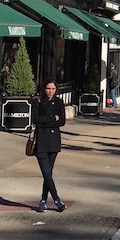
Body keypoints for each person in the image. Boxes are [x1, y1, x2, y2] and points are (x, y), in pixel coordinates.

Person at [31, 78, 67, 212]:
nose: (50, 91)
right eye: (48, 88)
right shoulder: (37, 101)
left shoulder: (58, 102)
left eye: (53, 88)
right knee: (46, 172)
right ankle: (57, 200)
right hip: (41, 142)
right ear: (43, 89)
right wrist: (52, 118)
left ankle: (43, 200)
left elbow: (62, 121)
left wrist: (46, 121)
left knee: (49, 173)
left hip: (54, 142)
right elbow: (36, 120)